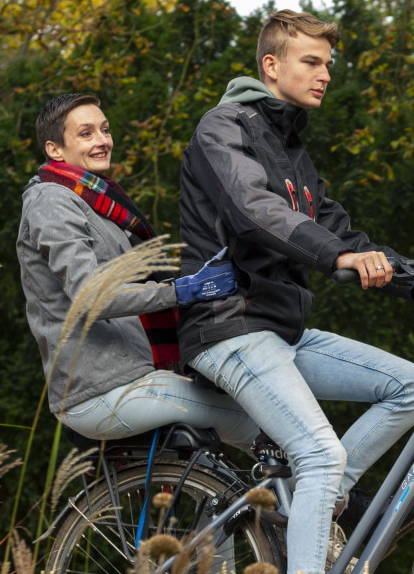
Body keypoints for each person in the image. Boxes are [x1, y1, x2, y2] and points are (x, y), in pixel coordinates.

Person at [178, 10, 414, 574]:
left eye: (329, 64)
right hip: (228, 326)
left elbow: (342, 233)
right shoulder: (223, 129)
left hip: (278, 330)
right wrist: (339, 255)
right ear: (271, 67)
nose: (325, 74)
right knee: (318, 450)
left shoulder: (294, 153)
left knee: (410, 387)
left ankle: (320, 505)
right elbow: (259, 213)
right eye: (312, 62)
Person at [18, 92, 257, 448]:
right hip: (102, 388)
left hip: (131, 374)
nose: (102, 141)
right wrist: (181, 291)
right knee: (258, 416)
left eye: (105, 129)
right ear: (54, 149)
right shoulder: (52, 201)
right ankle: (333, 502)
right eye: (86, 134)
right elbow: (92, 297)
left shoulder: (94, 202)